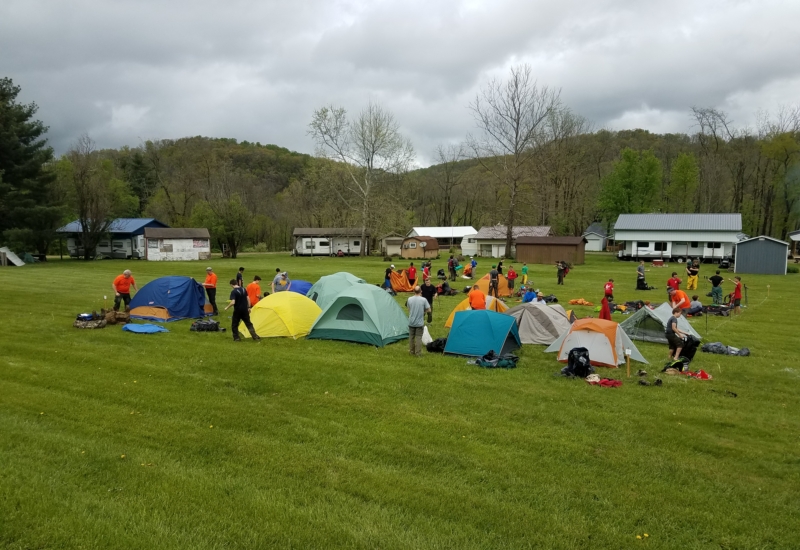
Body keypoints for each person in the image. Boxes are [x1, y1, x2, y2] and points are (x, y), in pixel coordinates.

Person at [406, 286, 431, 357]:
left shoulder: (409, 299)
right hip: (419, 323)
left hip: (411, 321)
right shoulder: (423, 300)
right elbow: (429, 310)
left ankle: (411, 351)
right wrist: (423, 311)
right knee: (418, 337)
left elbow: (409, 309)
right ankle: (418, 353)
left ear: (414, 291)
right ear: (421, 291)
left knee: (411, 337)